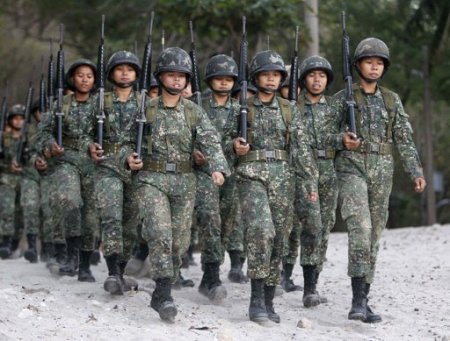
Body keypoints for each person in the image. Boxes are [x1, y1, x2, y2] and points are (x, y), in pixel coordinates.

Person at [330, 38, 426, 323]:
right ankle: (357, 300)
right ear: (358, 65)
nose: (374, 67)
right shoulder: (343, 99)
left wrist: (416, 172)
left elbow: (404, 139)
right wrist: (341, 139)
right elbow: (320, 137)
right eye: (369, 62)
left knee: (373, 236)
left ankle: (364, 297)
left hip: (382, 172)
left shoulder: (391, 99)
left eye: (379, 63)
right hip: (351, 168)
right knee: (360, 228)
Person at [131, 47, 230, 323]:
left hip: (184, 182)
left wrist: (218, 167)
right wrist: (128, 159)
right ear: (160, 77)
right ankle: (163, 294)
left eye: (181, 76)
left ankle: (164, 284)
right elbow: (126, 145)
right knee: (160, 233)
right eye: (170, 75)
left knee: (179, 242)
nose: (176, 80)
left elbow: (210, 141)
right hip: (152, 180)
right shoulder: (145, 109)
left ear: (187, 80)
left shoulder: (193, 112)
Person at [229, 50, 318, 324]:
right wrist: (234, 146)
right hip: (251, 174)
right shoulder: (242, 108)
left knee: (279, 238)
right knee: (261, 231)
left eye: (276, 75)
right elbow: (219, 143)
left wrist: (310, 182)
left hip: (283, 179)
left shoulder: (289, 110)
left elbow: (302, 150)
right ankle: (255, 300)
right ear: (256, 77)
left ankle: (268, 299)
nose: (271, 79)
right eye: (266, 74)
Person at [37, 59, 99, 282]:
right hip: (66, 161)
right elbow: (42, 133)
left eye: (89, 76)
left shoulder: (100, 104)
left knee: (91, 215)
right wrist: (50, 146)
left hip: (94, 165)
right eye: (80, 75)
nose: (84, 79)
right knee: (71, 202)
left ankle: (85, 264)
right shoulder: (60, 105)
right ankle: (71, 256)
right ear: (72, 78)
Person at [88, 51, 141, 294]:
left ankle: (121, 269)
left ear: (136, 74)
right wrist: (89, 146)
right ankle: (112, 272)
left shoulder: (146, 104)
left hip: (136, 170)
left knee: (130, 224)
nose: (125, 73)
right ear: (111, 74)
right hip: (107, 166)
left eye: (130, 69)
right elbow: (79, 134)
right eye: (120, 69)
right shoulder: (99, 102)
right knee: (111, 217)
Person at [193, 53, 241, 302]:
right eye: (218, 78)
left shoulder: (241, 109)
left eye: (228, 79)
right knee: (210, 219)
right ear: (210, 79)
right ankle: (212, 277)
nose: (223, 83)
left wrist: (237, 145)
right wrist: (194, 152)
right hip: (202, 173)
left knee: (226, 224)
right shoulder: (195, 104)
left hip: (231, 172)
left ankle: (209, 274)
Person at [292, 55, 339, 307]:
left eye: (322, 75)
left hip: (329, 170)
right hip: (300, 171)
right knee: (311, 224)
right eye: (312, 75)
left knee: (324, 227)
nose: (317, 79)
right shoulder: (292, 107)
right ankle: (302, 285)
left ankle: (313, 285)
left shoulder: (335, 107)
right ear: (303, 79)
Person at [0, 105, 25, 259]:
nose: (18, 122)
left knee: (20, 214)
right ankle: (5, 242)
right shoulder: (4, 138)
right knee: (7, 211)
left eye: (21, 118)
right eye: (15, 118)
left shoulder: (29, 137)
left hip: (24, 179)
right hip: (7, 179)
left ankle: (15, 243)